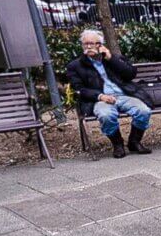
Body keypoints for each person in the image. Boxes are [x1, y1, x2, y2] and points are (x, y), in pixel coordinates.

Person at [65, 29, 152, 158]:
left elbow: (130, 74)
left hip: (123, 95)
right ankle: (118, 144)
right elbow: (79, 89)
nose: (88, 47)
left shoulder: (113, 58)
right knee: (106, 115)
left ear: (100, 45)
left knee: (143, 111)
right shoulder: (75, 66)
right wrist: (100, 96)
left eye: (92, 43)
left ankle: (134, 142)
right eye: (85, 44)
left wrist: (111, 59)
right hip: (99, 99)